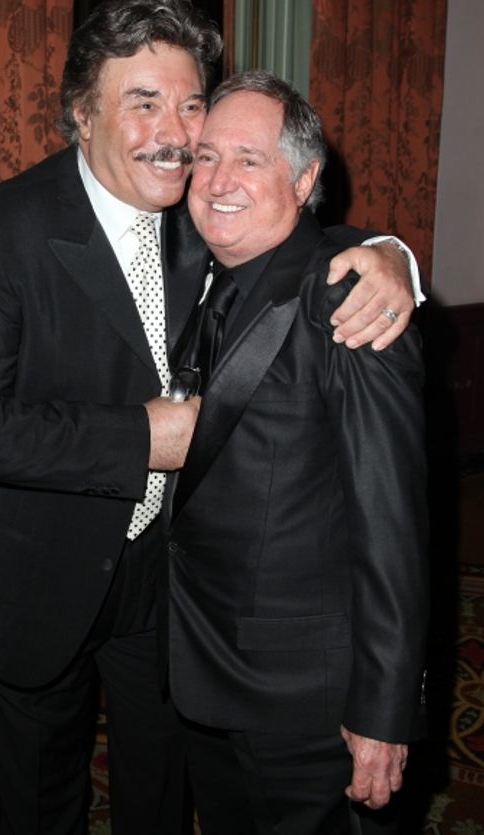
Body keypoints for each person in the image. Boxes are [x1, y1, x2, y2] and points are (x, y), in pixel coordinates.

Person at [0, 0, 419, 835]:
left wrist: (388, 256)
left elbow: (285, 224)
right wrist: (145, 435)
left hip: (169, 595)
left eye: (189, 104)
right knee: (40, 804)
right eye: (143, 103)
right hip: (38, 577)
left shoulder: (196, 212)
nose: (177, 134)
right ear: (82, 113)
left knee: (162, 798)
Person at [163, 71, 429, 835]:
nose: (217, 181)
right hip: (206, 671)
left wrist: (382, 712)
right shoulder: (203, 267)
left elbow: (392, 527)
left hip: (305, 704)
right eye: (207, 156)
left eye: (249, 159)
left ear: (306, 177)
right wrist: (389, 247)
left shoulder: (350, 302)